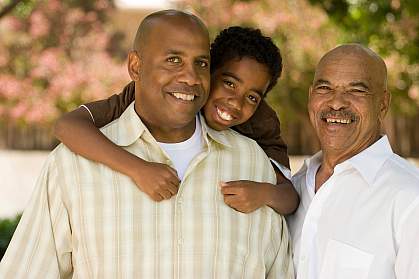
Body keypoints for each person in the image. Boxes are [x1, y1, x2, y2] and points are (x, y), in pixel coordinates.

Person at [0, 10, 294, 278]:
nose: (190, 77)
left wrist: (267, 190)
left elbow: (280, 256)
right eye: (173, 60)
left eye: (200, 63)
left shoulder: (253, 161)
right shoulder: (73, 165)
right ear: (135, 66)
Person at [53, 26, 299, 215]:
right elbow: (67, 126)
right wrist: (137, 169)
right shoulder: (144, 95)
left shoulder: (262, 123)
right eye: (228, 83)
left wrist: (265, 194)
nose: (236, 102)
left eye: (253, 97)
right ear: (207, 70)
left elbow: (290, 197)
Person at [287, 44, 419, 278]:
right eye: (325, 87)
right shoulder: (294, 187)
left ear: (383, 104)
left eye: (357, 90)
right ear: (311, 97)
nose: (336, 103)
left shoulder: (410, 198)